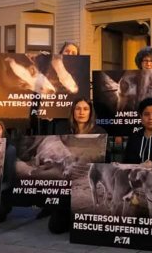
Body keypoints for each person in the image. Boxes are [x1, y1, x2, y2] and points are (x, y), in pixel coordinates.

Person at [47, 98, 106, 233]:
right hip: (66, 183)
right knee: (55, 228)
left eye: (85, 109)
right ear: (73, 112)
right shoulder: (64, 130)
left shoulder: (100, 132)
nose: (81, 112)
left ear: (90, 112)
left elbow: (101, 161)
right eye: (78, 109)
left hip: (86, 180)